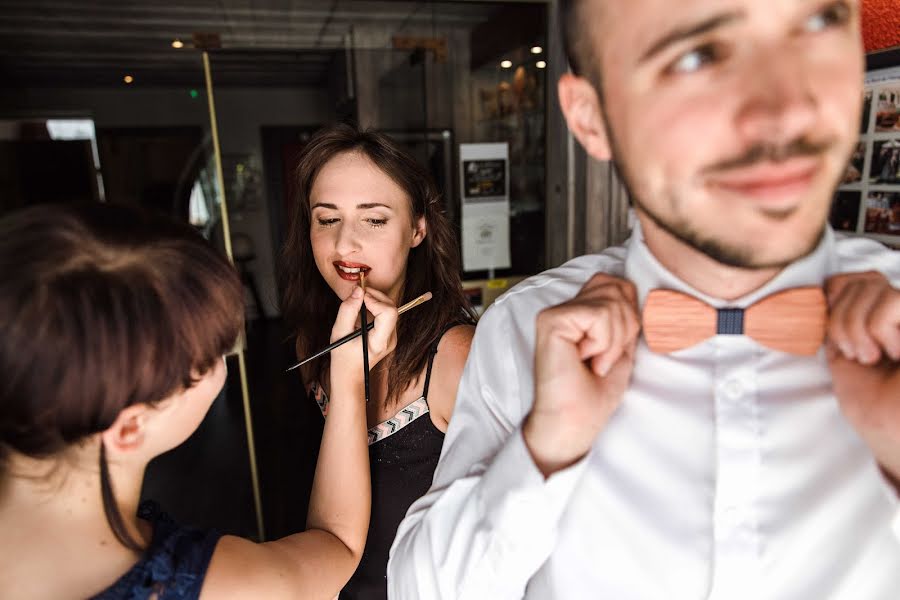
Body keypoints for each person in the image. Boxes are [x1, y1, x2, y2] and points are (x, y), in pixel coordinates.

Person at [389, 0, 900, 598]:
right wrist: (544, 450)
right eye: (697, 55)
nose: (787, 110)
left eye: (818, 24)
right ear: (592, 118)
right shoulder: (523, 328)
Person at [0, 202, 398, 599]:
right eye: (214, 354)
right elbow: (337, 543)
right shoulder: (217, 587)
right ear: (130, 427)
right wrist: (348, 378)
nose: (225, 360)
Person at [278, 124, 477, 599]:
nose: (344, 244)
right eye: (327, 219)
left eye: (374, 219)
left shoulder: (458, 357)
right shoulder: (316, 340)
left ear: (417, 228)